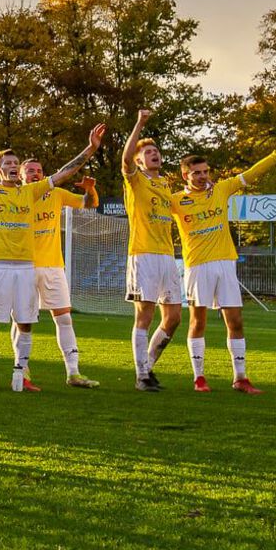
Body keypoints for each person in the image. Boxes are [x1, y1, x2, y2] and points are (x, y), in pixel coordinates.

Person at [0, 121, 103, 392]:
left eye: (16, 162)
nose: (13, 166)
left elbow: (64, 173)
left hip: (27, 266)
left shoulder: (32, 191)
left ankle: (21, 375)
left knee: (26, 323)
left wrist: (90, 149)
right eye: (9, 163)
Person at [169, 129, 276, 392]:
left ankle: (240, 377)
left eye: (205, 171)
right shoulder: (176, 201)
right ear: (185, 175)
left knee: (236, 321)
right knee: (198, 321)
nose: (202, 176)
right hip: (197, 265)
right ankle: (199, 377)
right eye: (196, 172)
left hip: (226, 264)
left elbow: (252, 173)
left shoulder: (221, 189)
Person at [21, 154, 103, 388]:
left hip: (53, 267)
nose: (35, 173)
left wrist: (90, 189)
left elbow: (90, 203)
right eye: (30, 171)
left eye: (38, 170)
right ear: (23, 175)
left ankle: (73, 373)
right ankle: (22, 371)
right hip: (23, 267)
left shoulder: (56, 194)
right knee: (23, 322)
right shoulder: (18, 197)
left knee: (64, 318)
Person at [120, 108, 185, 391]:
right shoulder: (136, 179)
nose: (154, 154)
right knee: (144, 315)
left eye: (156, 150)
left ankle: (146, 366)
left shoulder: (165, 184)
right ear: (138, 160)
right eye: (148, 152)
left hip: (166, 256)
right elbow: (125, 158)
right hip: (143, 254)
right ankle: (141, 376)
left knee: (173, 318)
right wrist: (139, 123)